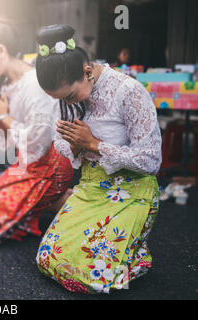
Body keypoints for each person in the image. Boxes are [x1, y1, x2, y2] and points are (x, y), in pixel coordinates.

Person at [34, 24, 162, 294]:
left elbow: (151, 160)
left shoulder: (129, 92)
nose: (67, 104)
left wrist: (93, 143)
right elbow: (62, 139)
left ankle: (134, 253)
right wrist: (77, 146)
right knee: (47, 258)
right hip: (93, 186)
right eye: (60, 100)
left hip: (131, 189)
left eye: (69, 96)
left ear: (87, 71)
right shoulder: (69, 98)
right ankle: (125, 248)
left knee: (89, 278)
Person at [0, 18, 74, 243]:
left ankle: (59, 201)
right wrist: (0, 120)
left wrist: (3, 117)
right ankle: (53, 204)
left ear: (0, 50)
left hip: (50, 166)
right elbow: (8, 148)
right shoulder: (6, 85)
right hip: (28, 164)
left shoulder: (34, 83)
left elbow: (38, 145)